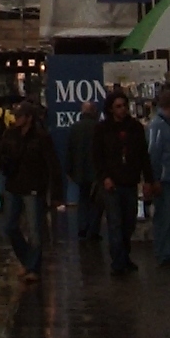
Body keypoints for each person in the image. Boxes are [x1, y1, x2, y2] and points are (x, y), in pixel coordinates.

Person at [0, 99, 63, 283]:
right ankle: (28, 259)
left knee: (35, 230)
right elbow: (1, 154)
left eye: (19, 116)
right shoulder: (10, 135)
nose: (16, 118)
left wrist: (56, 193)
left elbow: (52, 165)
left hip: (33, 187)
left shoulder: (41, 138)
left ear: (29, 118)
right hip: (14, 185)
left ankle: (32, 267)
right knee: (9, 226)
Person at [91, 88, 153, 276]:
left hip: (130, 181)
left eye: (124, 106)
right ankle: (118, 261)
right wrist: (104, 177)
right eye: (118, 106)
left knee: (129, 221)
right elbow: (97, 156)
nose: (122, 110)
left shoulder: (135, 128)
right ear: (110, 109)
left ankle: (124, 255)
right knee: (115, 222)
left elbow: (143, 155)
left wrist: (148, 179)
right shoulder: (102, 129)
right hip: (112, 183)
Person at [146, 89, 170, 267]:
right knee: (164, 217)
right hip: (164, 179)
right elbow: (153, 152)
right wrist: (154, 179)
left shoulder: (167, 124)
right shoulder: (158, 125)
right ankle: (164, 253)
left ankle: (169, 252)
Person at [65, 96, 102, 241]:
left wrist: (69, 170)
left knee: (83, 199)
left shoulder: (75, 128)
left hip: (79, 171)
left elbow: (70, 150)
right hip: (96, 170)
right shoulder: (99, 127)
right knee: (96, 203)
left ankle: (82, 228)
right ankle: (93, 230)